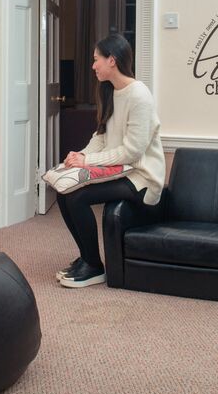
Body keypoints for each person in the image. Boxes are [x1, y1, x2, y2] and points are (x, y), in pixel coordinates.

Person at [55, 34, 164, 289]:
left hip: (141, 177)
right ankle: (87, 257)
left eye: (96, 60)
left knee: (78, 197)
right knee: (64, 191)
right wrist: (79, 156)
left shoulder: (139, 95)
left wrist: (88, 161)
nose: (93, 66)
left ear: (112, 60)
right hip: (118, 170)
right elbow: (101, 136)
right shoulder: (109, 91)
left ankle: (94, 267)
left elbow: (132, 152)